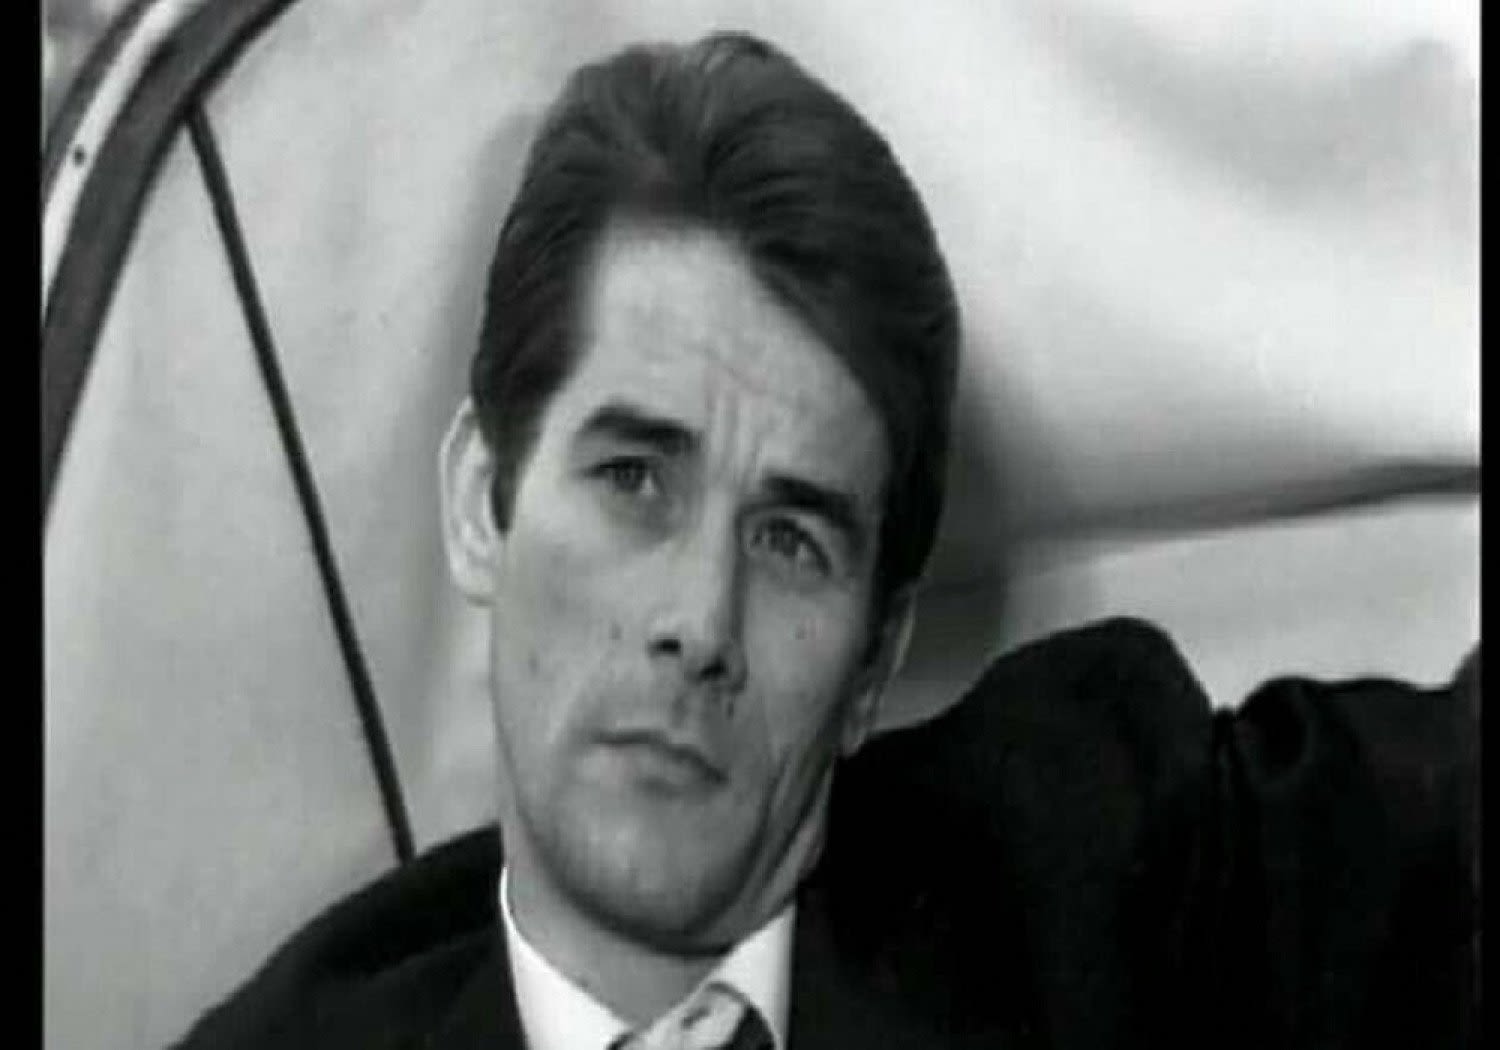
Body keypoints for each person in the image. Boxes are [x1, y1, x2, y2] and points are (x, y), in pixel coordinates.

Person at [172, 31, 1478, 1050]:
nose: (701, 622)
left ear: (873, 662)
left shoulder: (1092, 871)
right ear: (481, 500)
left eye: (792, 541)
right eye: (634, 479)